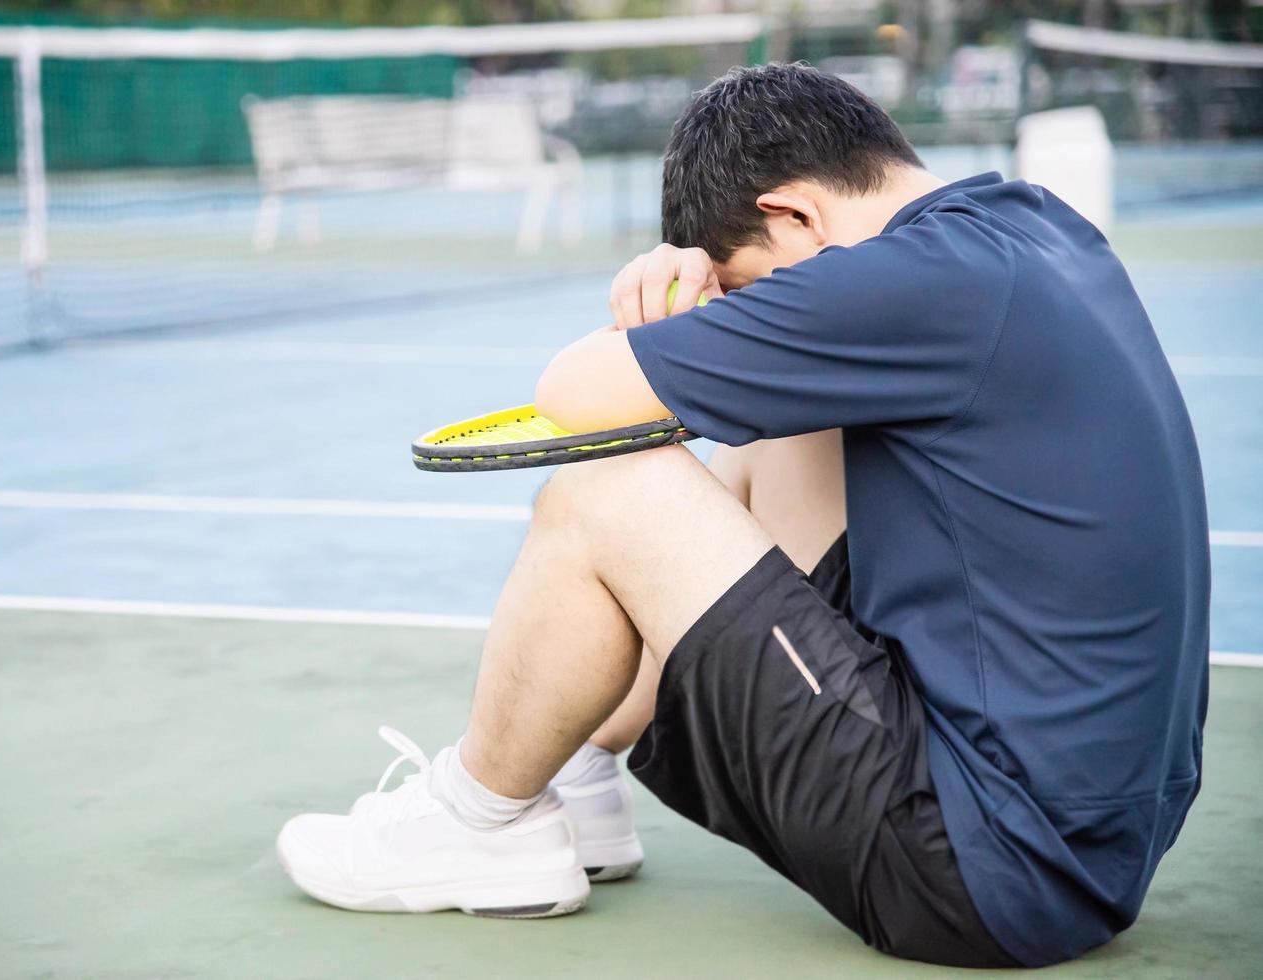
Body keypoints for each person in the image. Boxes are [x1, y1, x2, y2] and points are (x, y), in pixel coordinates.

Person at [276, 63, 1210, 967]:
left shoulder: (915, 278)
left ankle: (478, 818)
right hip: (1077, 854)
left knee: (607, 478)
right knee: (780, 435)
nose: (763, 317)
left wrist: (667, 304)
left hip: (974, 873)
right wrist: (731, 307)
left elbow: (572, 395)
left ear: (793, 213)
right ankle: (579, 774)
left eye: (754, 290)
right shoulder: (1035, 229)